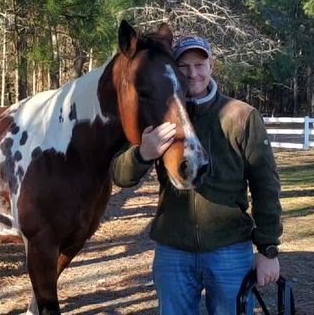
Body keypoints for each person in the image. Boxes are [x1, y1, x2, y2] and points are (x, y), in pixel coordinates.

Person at [109, 35, 283, 315]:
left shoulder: (241, 116)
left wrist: (268, 250)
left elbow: (266, 186)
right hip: (173, 251)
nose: (193, 73)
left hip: (229, 249)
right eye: (184, 66)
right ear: (174, 70)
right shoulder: (157, 113)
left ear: (211, 66)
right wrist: (143, 153)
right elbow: (120, 175)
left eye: (199, 64)